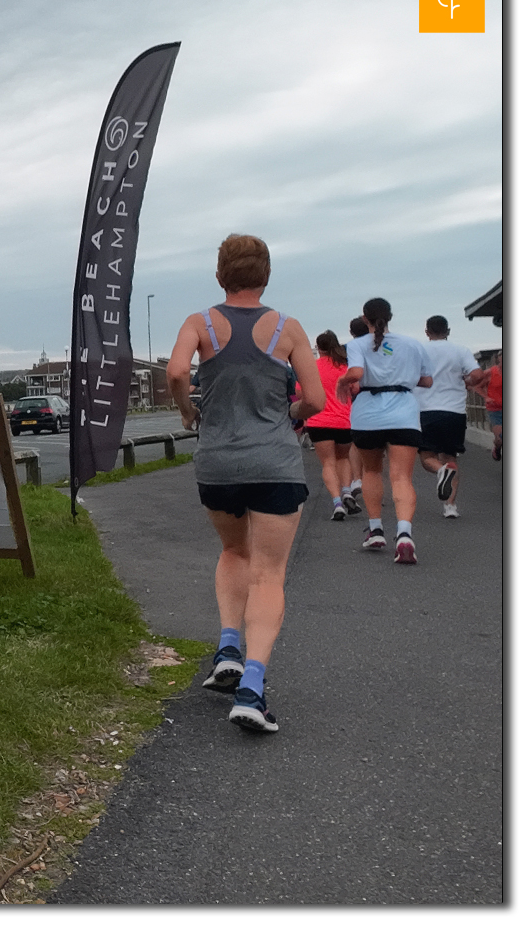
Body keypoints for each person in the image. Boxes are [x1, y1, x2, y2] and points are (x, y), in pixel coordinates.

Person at [166, 233, 324, 734]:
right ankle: (251, 690)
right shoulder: (288, 328)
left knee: (234, 552)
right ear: (267, 276)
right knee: (268, 574)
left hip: (218, 465)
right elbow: (316, 400)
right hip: (275, 464)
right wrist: (291, 414)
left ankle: (227, 647)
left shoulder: (199, 323)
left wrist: (191, 411)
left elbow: (175, 372)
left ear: (220, 276)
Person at [335, 298, 432, 565]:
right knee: (401, 477)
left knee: (372, 471)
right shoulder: (412, 344)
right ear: (390, 317)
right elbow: (427, 380)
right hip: (404, 413)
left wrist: (343, 381)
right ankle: (404, 535)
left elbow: (356, 371)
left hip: (368, 416)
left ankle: (376, 529)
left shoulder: (356, 344)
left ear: (365, 319)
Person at [416, 315, 485, 518]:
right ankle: (450, 507)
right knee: (451, 458)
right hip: (454, 411)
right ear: (448, 331)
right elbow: (478, 375)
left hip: (425, 410)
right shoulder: (460, 350)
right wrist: (467, 381)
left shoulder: (420, 351)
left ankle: (440, 471)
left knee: (427, 457)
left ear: (427, 332)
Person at [306, 330, 361, 520]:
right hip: (344, 420)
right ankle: (346, 490)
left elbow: (299, 392)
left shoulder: (312, 368)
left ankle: (337, 502)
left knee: (328, 463)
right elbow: (355, 389)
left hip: (319, 420)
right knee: (343, 458)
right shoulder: (345, 367)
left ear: (318, 348)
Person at [347, 316, 371, 498]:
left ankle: (357, 479)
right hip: (385, 402)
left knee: (356, 443)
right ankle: (373, 486)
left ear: (351, 332)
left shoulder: (350, 349)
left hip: (356, 400)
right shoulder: (380, 346)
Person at [470, 350, 503, 460]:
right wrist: (486, 397)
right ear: (498, 359)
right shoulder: (490, 372)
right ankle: (497, 448)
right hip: (495, 409)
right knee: (500, 438)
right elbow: (477, 386)